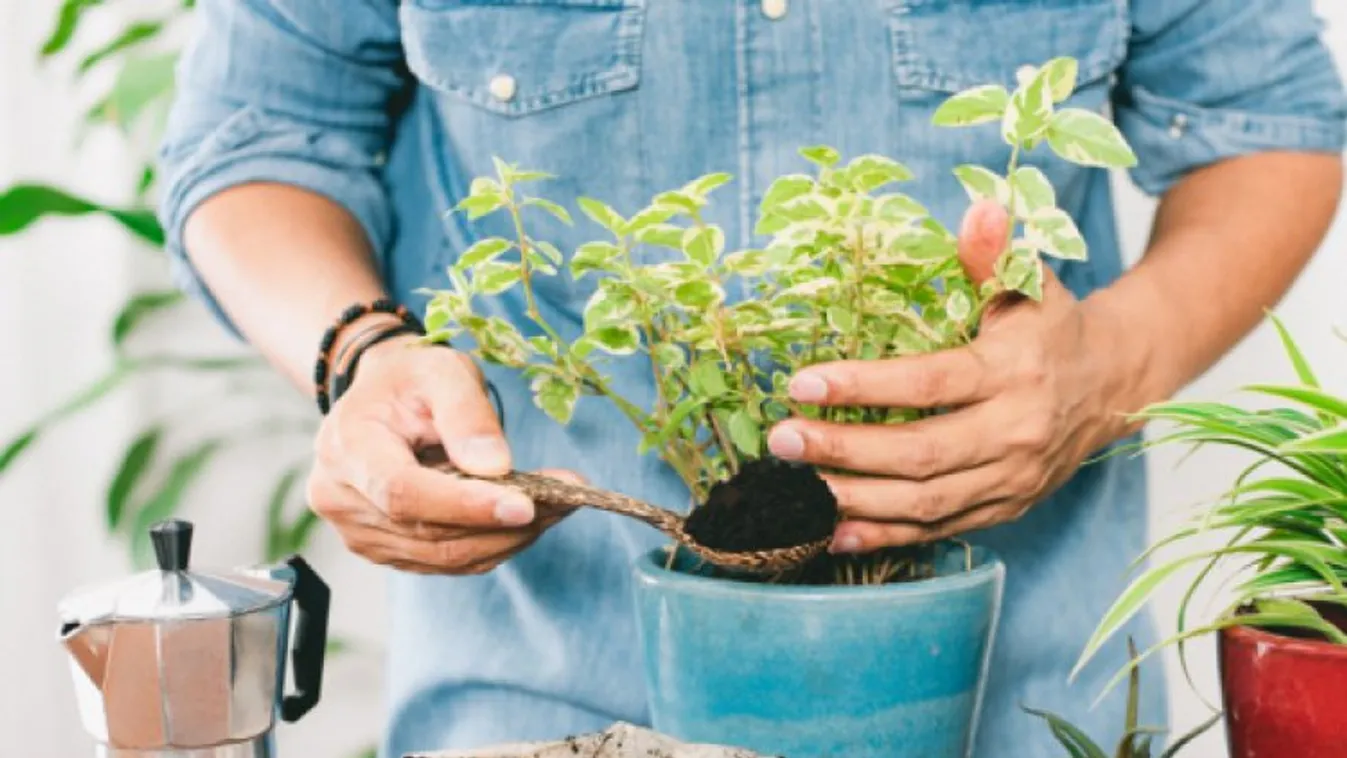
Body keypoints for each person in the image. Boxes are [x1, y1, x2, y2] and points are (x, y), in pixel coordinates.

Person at [157, 1, 1346, 755]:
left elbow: (1269, 119)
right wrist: (364, 350)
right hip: (544, 698)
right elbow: (258, 137)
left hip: (1018, 701)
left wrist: (1109, 368)